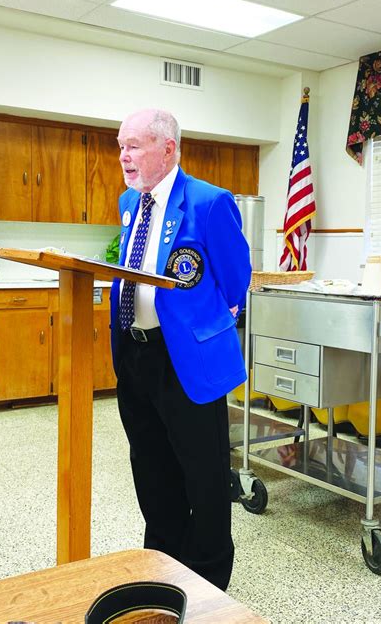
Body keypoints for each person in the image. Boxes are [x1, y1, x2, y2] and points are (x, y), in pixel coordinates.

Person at [109, 108, 251, 591]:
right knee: (150, 466)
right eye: (121, 145)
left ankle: (210, 577)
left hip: (186, 360)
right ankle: (164, 564)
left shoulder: (210, 203)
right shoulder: (130, 201)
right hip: (135, 352)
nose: (124, 155)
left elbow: (236, 281)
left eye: (135, 144)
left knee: (204, 473)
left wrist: (204, 323)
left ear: (168, 149)